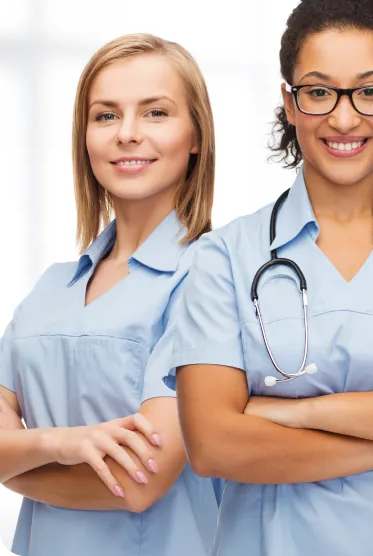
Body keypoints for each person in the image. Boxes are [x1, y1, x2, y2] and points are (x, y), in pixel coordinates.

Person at [168, 0, 373, 556]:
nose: (345, 119)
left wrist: (292, 413)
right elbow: (215, 445)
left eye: (370, 92)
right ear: (289, 102)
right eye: (320, 92)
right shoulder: (225, 258)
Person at [0, 33, 220, 556]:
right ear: (85, 138)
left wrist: (14, 468)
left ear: (196, 137)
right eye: (105, 116)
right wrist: (61, 443)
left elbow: (141, 481)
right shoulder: (52, 288)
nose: (127, 134)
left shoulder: (211, 279)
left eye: (155, 113)